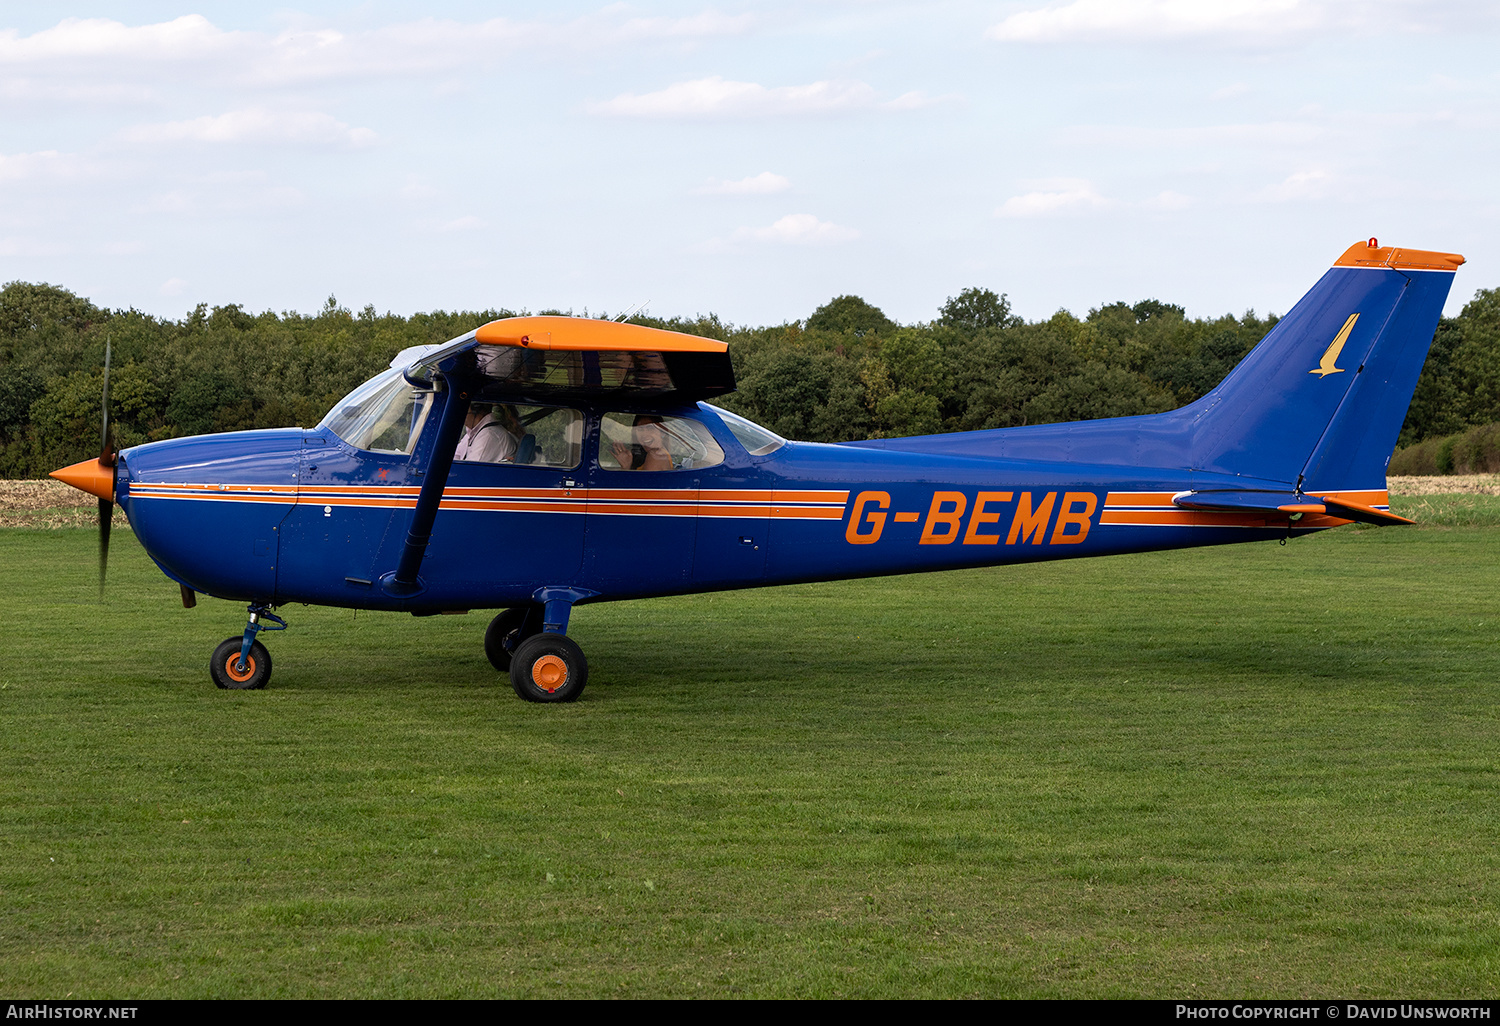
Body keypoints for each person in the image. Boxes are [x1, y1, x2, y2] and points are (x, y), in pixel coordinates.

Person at [455, 403, 520, 463]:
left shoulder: (489, 435)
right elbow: (455, 456)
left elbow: (470, 469)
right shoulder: (472, 433)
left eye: (463, 409)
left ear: (476, 411)